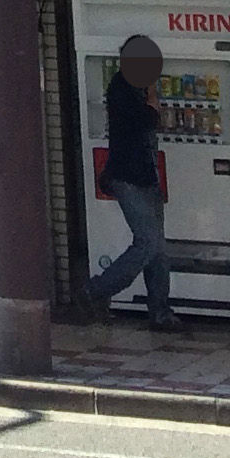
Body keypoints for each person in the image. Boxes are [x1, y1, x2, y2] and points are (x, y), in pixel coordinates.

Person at [85, 33, 180, 330]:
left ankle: (160, 310)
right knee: (148, 241)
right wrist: (153, 97)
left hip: (145, 175)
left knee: (157, 248)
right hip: (127, 176)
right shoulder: (122, 88)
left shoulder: (132, 87)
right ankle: (97, 290)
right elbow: (148, 120)